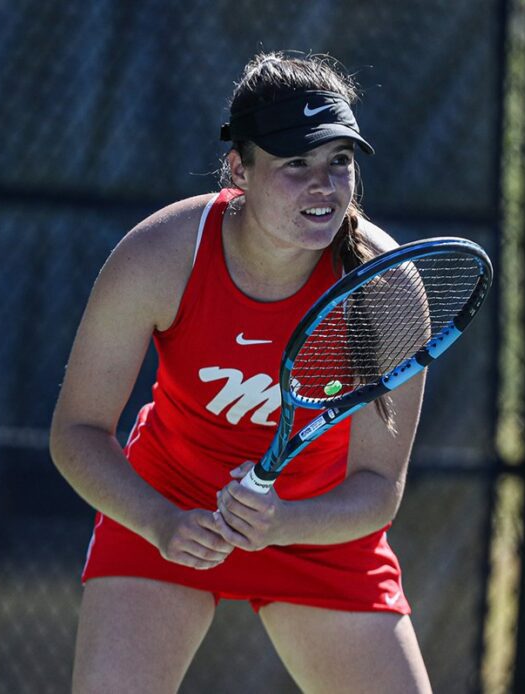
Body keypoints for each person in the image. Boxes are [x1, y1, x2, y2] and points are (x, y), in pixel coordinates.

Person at [50, 51, 433, 693]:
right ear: (240, 168)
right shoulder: (160, 255)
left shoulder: (385, 286)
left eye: (338, 161)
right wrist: (160, 521)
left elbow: (377, 488)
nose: (324, 185)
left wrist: (282, 522)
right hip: (165, 503)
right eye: (294, 164)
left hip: (317, 527)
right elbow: (77, 432)